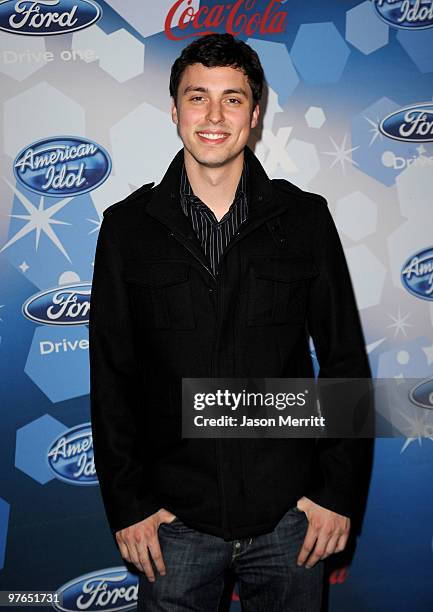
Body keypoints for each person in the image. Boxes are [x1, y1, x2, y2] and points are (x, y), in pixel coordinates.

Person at [89, 33, 372, 611]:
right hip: (173, 525)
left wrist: (336, 494)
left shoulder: (306, 219)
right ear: (174, 110)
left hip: (291, 520)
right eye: (198, 97)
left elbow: (344, 359)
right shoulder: (127, 228)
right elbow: (113, 376)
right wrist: (129, 503)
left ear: (256, 112)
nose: (214, 116)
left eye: (233, 98)